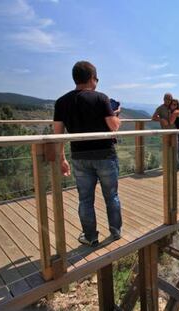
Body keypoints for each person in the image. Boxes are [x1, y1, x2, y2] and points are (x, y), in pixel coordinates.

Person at [53, 60, 122, 247]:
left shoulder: (61, 102)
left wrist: (62, 158)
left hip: (79, 157)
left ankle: (90, 236)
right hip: (105, 155)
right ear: (92, 78)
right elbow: (114, 127)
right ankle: (116, 232)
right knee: (112, 196)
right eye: (96, 78)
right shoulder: (101, 98)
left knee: (85, 199)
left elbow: (57, 133)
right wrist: (116, 114)